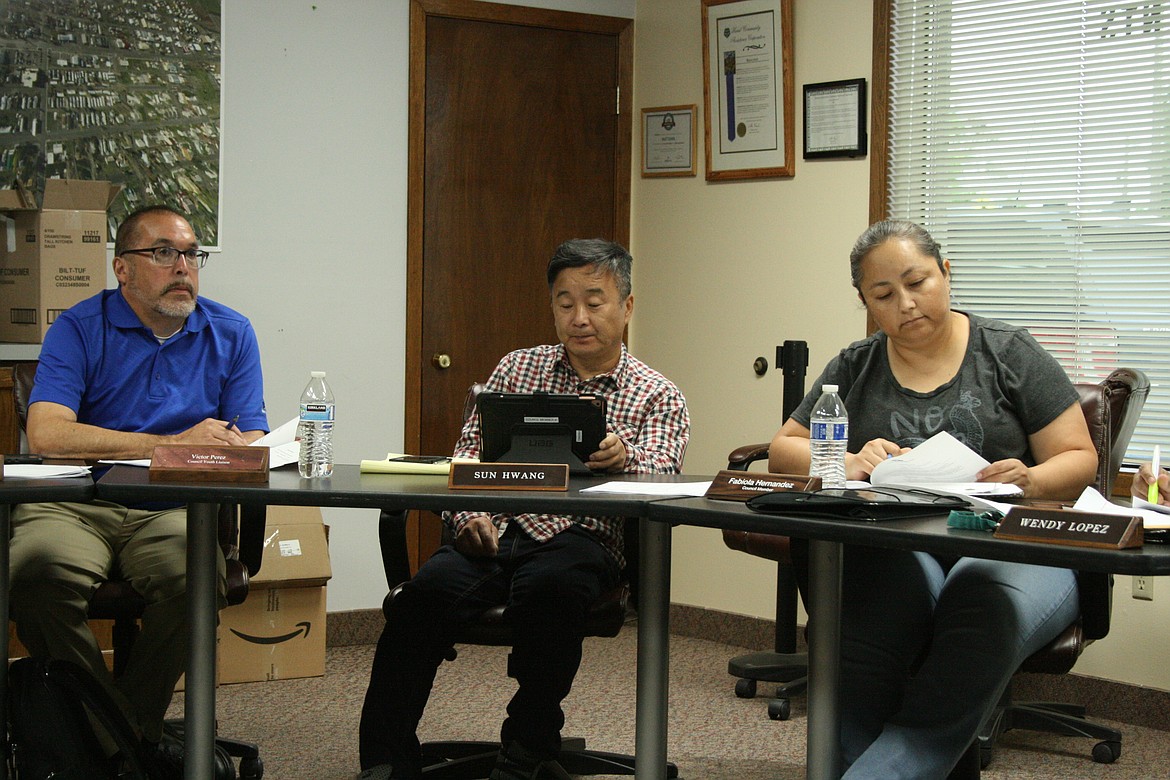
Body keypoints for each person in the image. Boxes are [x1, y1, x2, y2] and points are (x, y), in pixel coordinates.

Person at [769, 219, 1098, 778]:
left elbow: (1079, 457)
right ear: (864, 302)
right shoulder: (857, 364)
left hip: (1012, 544)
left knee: (978, 613)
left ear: (946, 273)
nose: (905, 303)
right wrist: (848, 463)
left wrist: (1032, 480)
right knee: (864, 637)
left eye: (917, 282)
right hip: (900, 545)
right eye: (883, 294)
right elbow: (785, 449)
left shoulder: (1007, 352)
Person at [357, 238, 690, 780]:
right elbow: (466, 453)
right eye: (565, 303)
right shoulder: (517, 368)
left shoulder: (657, 394)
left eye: (595, 301)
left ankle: (528, 744)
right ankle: (386, 758)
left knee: (551, 592)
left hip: (581, 540)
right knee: (418, 604)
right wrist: (467, 517)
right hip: (497, 529)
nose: (579, 318)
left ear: (626, 307)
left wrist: (626, 457)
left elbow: (666, 472)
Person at [12, 205, 268, 767]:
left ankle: (113, 740)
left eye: (191, 254)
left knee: (197, 580)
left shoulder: (231, 332)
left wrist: (233, 449)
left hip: (178, 507)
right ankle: (126, 743)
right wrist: (165, 443)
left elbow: (250, 437)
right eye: (163, 253)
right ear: (121, 268)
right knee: (33, 575)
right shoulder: (79, 326)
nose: (183, 268)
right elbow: (48, 433)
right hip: (78, 504)